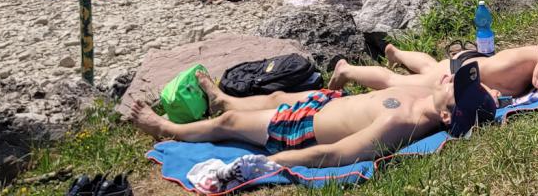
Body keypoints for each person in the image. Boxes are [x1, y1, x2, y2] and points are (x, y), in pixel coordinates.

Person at [128, 61, 498, 173]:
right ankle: (223, 97)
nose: (453, 78)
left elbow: (336, 154)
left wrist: (268, 162)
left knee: (228, 127)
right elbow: (388, 79)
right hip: (329, 102)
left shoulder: (402, 123)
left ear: (449, 116)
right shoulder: (428, 95)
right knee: (275, 95)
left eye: (458, 88)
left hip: (301, 128)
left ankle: (166, 127)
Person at [330, 42, 538, 98]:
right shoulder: (515, 65)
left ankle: (396, 53)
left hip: (469, 60)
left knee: (430, 65)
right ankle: (346, 69)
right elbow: (477, 72)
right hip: (462, 70)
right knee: (394, 83)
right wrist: (485, 90)